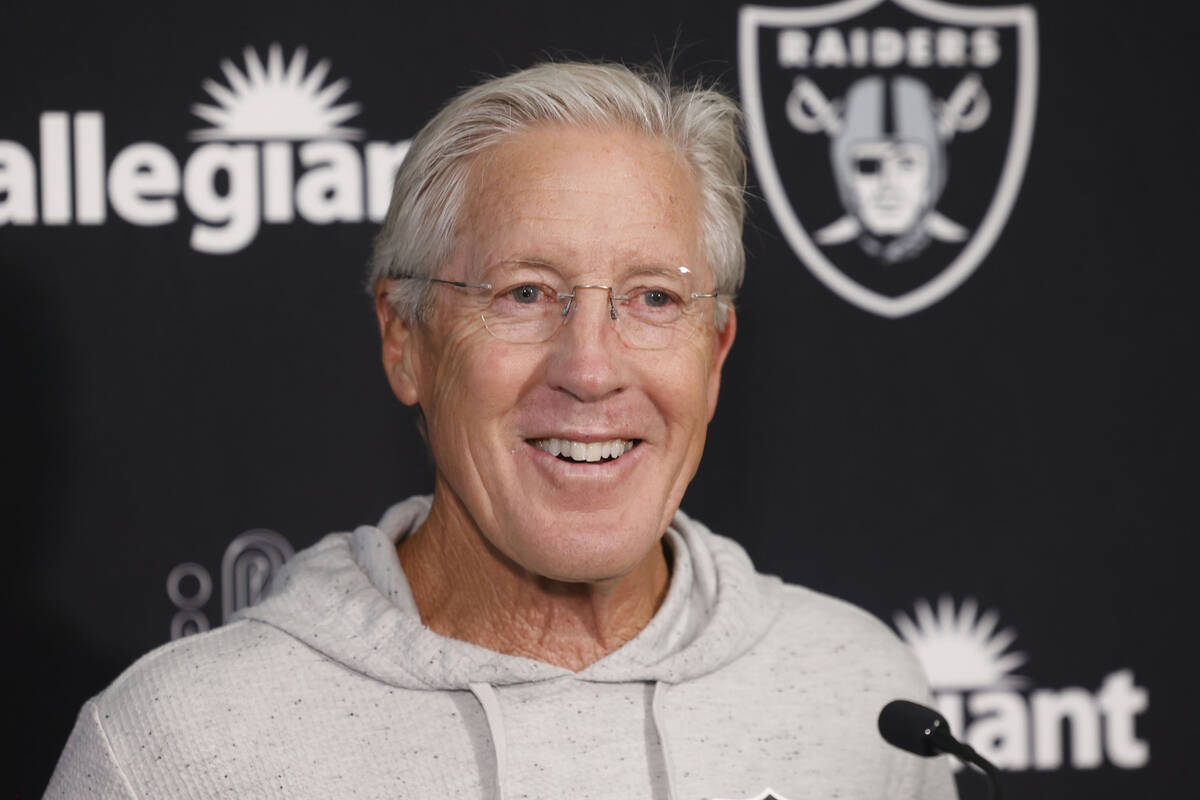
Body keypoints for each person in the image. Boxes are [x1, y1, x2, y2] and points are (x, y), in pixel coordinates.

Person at [45, 62, 956, 799]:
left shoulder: (859, 699)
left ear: (715, 351)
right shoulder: (176, 753)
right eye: (525, 293)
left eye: (652, 297)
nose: (592, 369)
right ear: (405, 341)